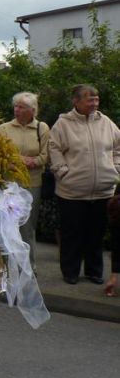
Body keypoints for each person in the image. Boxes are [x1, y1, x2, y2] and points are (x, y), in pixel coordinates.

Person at [48, 84, 120, 285]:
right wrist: (64, 173)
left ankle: (94, 271)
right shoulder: (63, 124)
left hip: (103, 190)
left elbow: (117, 147)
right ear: (76, 101)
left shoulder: (106, 122)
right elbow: (54, 149)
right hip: (72, 191)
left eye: (96, 99)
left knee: (96, 234)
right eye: (90, 100)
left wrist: (116, 168)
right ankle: (70, 272)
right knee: (72, 234)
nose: (94, 103)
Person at [0, 92, 49, 272]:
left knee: (27, 226)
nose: (17, 110)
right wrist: (18, 160)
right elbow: (0, 153)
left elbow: (46, 155)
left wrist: (33, 161)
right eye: (16, 106)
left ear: (32, 110)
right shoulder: (4, 128)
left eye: (21, 107)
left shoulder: (41, 128)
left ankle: (28, 265)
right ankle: (7, 265)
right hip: (9, 184)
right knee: (8, 224)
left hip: (32, 183)